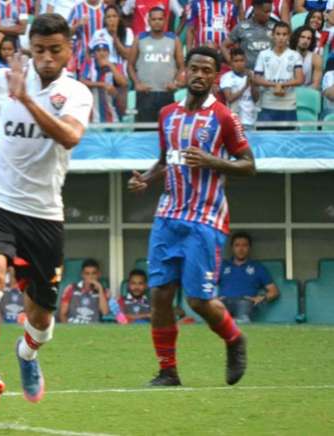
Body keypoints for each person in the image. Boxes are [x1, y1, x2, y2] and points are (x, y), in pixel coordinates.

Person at [0, 14, 92, 409]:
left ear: (69, 50)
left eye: (55, 50)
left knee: (41, 320)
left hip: (43, 213)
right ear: (29, 49)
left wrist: (24, 100)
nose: (47, 58)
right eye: (39, 50)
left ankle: (27, 354)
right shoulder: (2, 80)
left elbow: (69, 136)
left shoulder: (77, 93)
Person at [127, 45, 256, 387]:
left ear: (215, 76)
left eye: (206, 71)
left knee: (198, 299)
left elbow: (249, 164)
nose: (199, 75)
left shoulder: (225, 117)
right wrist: (145, 177)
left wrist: (213, 161)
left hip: (205, 218)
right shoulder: (167, 113)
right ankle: (168, 371)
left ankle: (234, 339)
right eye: (194, 69)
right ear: (185, 72)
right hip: (168, 216)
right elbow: (165, 157)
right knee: (160, 296)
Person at [129, 7, 184, 124]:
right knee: (143, 131)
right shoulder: (140, 38)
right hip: (145, 94)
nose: (157, 22)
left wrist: (175, 83)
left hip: (166, 93)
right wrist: (137, 83)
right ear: (148, 21)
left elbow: (182, 67)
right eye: (154, 19)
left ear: (165, 20)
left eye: (160, 19)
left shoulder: (174, 40)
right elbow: (130, 65)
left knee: (166, 130)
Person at [218, 232, 280, 323]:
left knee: (243, 320)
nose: (241, 249)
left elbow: (274, 291)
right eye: (237, 245)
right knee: (217, 321)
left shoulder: (257, 267)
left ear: (249, 248)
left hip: (245, 301)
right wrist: (212, 299)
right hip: (224, 301)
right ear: (232, 248)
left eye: (244, 245)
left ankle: (236, 323)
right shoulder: (222, 266)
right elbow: (207, 284)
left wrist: (261, 298)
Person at [253, 22, 304, 128]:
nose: (281, 38)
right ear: (273, 35)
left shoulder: (295, 55)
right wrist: (274, 85)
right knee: (265, 141)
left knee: (288, 142)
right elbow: (256, 79)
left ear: (289, 36)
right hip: (267, 104)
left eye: (284, 34)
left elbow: (300, 79)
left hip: (288, 105)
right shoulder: (263, 55)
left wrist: (282, 85)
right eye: (278, 34)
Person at [79, 33, 128, 123]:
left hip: (113, 117)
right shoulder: (89, 64)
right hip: (93, 118)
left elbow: (123, 83)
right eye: (98, 50)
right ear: (94, 53)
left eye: (105, 50)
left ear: (109, 52)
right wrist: (102, 84)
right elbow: (81, 81)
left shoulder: (116, 66)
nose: (102, 53)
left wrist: (110, 65)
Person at [221, 0, 274, 70]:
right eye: (266, 12)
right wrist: (233, 64)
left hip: (269, 74)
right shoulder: (242, 27)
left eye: (270, 12)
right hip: (247, 74)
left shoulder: (274, 28)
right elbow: (224, 46)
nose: (269, 15)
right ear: (256, 9)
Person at [58, 259, 110, 324]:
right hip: (72, 326)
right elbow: (62, 314)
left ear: (98, 274)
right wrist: (68, 329)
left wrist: (100, 288)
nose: (90, 277)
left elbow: (105, 312)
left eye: (94, 273)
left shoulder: (103, 291)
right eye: (87, 274)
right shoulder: (71, 288)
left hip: (94, 329)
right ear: (82, 274)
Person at [220, 48, 259, 129]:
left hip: (250, 121)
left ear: (245, 61)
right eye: (236, 61)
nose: (239, 64)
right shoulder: (226, 77)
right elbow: (229, 98)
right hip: (234, 121)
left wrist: (252, 84)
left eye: (241, 60)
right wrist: (245, 87)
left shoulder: (252, 74)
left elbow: (256, 99)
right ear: (231, 63)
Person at [67, 0, 106, 76]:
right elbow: (66, 33)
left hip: (102, 58)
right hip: (82, 57)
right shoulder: (77, 9)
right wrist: (78, 24)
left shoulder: (105, 8)